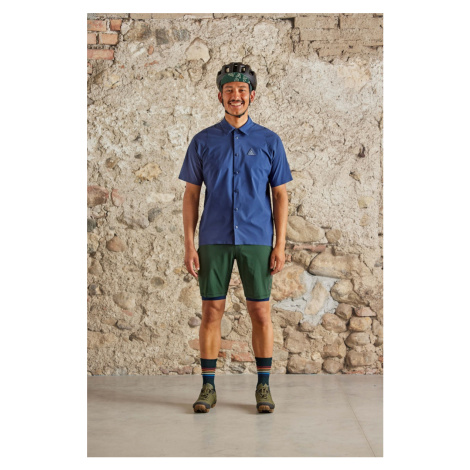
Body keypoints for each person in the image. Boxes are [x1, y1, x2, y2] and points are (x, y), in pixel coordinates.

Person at [178, 62, 293, 413]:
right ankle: (208, 388)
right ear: (220, 96)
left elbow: (280, 195)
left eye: (242, 90)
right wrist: (189, 244)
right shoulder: (203, 141)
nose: (235, 95)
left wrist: (280, 244)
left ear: (252, 96)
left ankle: (263, 386)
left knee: (260, 311)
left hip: (257, 238)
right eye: (229, 90)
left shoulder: (269, 141)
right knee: (212, 310)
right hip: (214, 238)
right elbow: (191, 195)